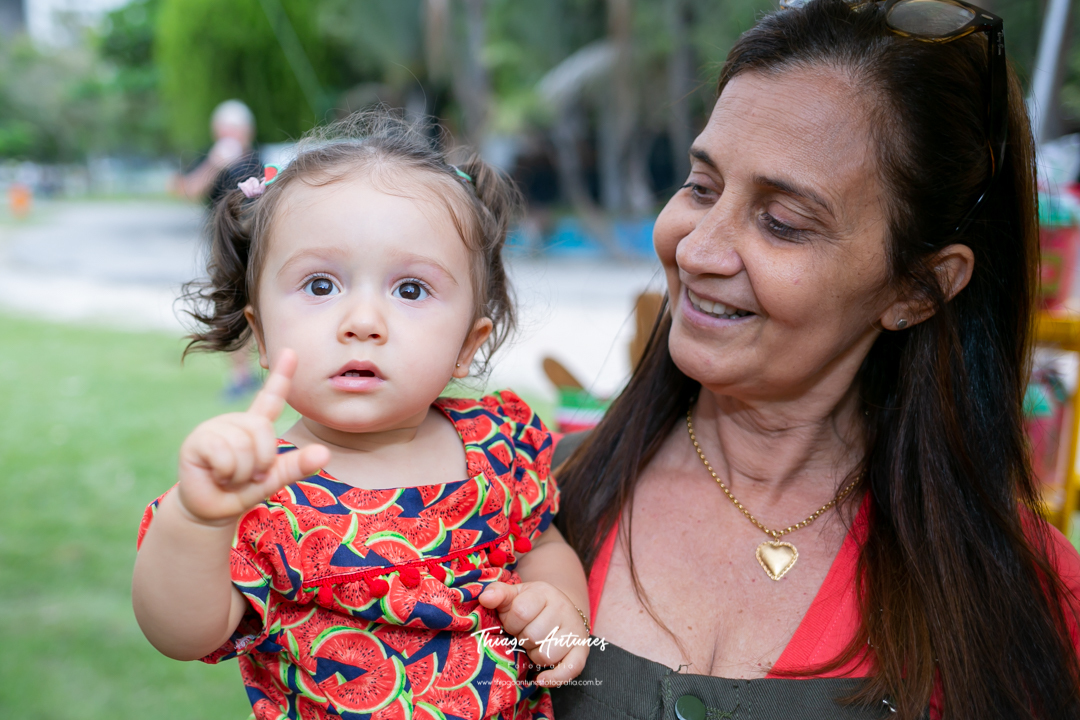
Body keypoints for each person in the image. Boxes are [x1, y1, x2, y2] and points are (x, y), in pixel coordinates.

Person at [549, 0, 1080, 718]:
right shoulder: (518, 501)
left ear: (919, 287)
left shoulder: (1026, 599)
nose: (697, 249)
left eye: (783, 223)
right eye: (701, 187)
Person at [132, 111, 591, 720]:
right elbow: (181, 633)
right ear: (261, 335)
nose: (363, 322)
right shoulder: (260, 491)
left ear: (467, 344)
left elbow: (541, 543)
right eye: (321, 286)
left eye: (409, 290)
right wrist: (196, 519)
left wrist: (561, 610)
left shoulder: (498, 442)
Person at [172, 99, 265, 400]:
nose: (229, 133)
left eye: (235, 128)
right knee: (231, 309)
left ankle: (267, 369)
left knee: (262, 307)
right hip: (222, 246)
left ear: (247, 131)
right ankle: (240, 376)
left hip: (256, 244)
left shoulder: (258, 159)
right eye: (224, 128)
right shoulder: (208, 157)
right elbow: (187, 191)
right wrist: (214, 163)